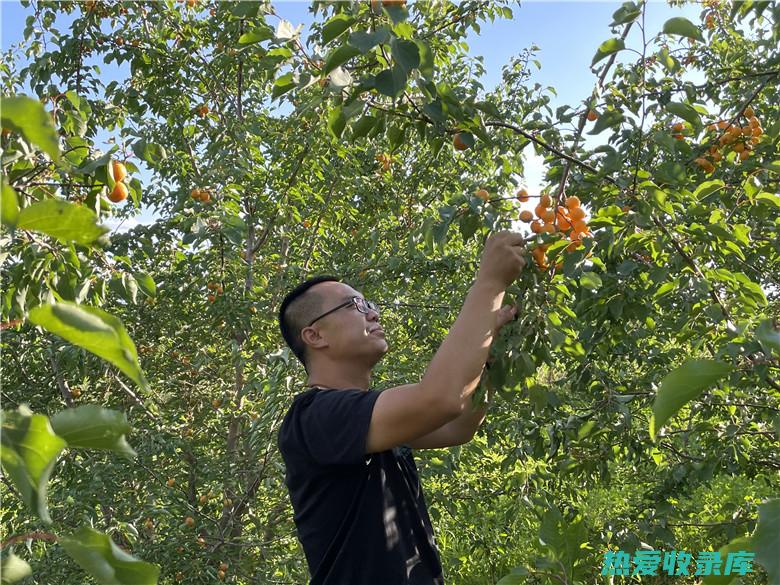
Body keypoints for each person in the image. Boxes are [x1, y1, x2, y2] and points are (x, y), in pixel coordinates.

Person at [276, 231, 526, 584]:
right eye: (356, 306)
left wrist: (489, 347)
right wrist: (489, 283)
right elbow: (440, 399)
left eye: (370, 304)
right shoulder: (314, 417)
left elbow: (459, 425)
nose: (373, 312)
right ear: (315, 336)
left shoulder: (368, 419)